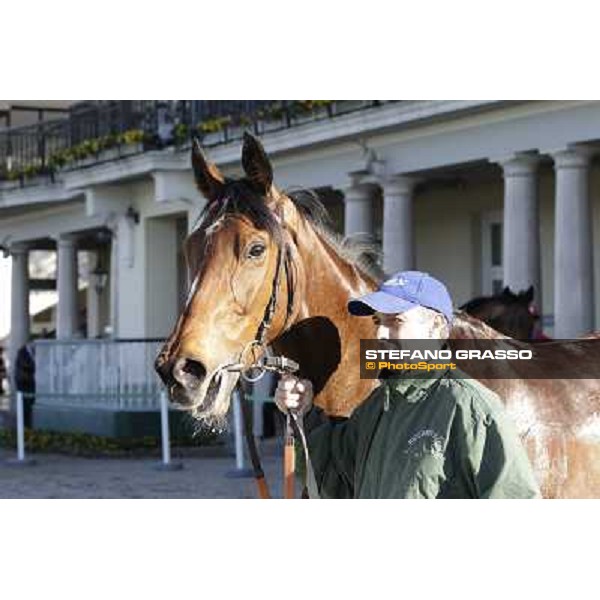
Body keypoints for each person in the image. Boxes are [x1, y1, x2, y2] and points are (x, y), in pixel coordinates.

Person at [275, 270, 541, 499]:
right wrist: (304, 413)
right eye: (378, 321)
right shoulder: (377, 407)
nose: (379, 333)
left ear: (436, 327)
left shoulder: (472, 408)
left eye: (396, 321)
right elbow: (334, 476)